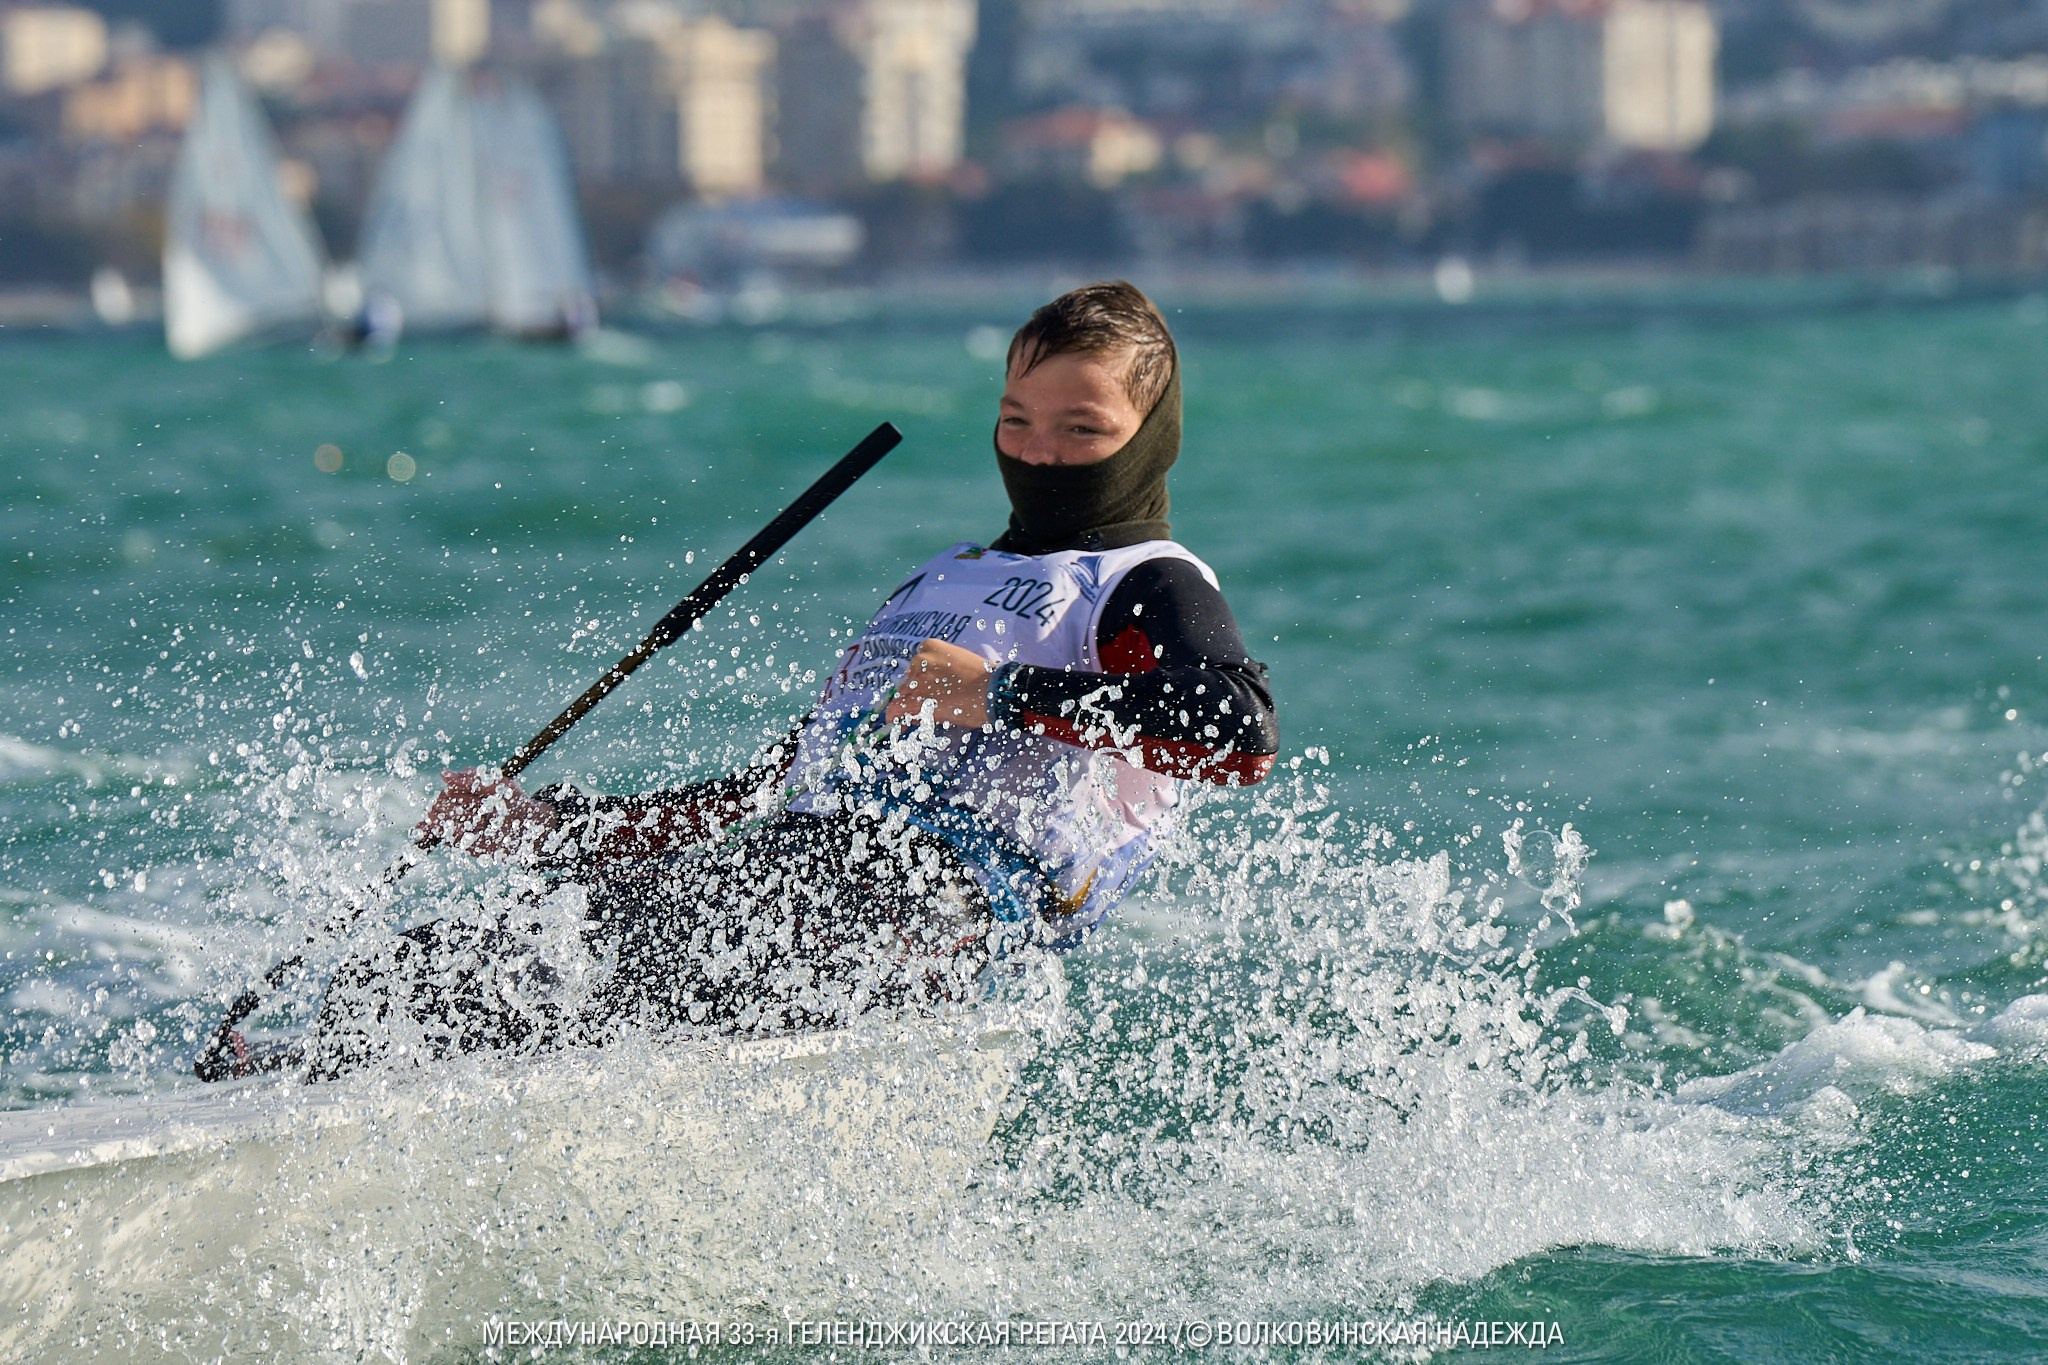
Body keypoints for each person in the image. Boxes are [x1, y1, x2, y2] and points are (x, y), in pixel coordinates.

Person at [305, 281, 1279, 1077]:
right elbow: (776, 785)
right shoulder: (947, 578)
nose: (1035, 452)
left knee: (516, 989)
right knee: (405, 979)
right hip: (789, 876)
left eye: (1081, 429)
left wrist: (1002, 694)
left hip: (934, 916)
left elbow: (1238, 729)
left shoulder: (1145, 582)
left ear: (1149, 434)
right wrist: (548, 824)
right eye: (1015, 419)